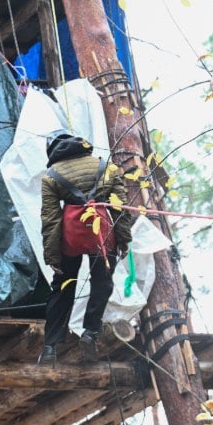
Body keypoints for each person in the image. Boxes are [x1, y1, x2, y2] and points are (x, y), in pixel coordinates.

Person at [39, 130, 132, 364]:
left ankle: (50, 346)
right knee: (102, 282)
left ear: (52, 150)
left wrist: (53, 257)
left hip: (71, 235)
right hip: (102, 234)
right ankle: (90, 332)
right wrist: (123, 239)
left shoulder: (51, 176)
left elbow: (51, 219)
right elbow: (119, 208)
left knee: (62, 287)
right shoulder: (106, 167)